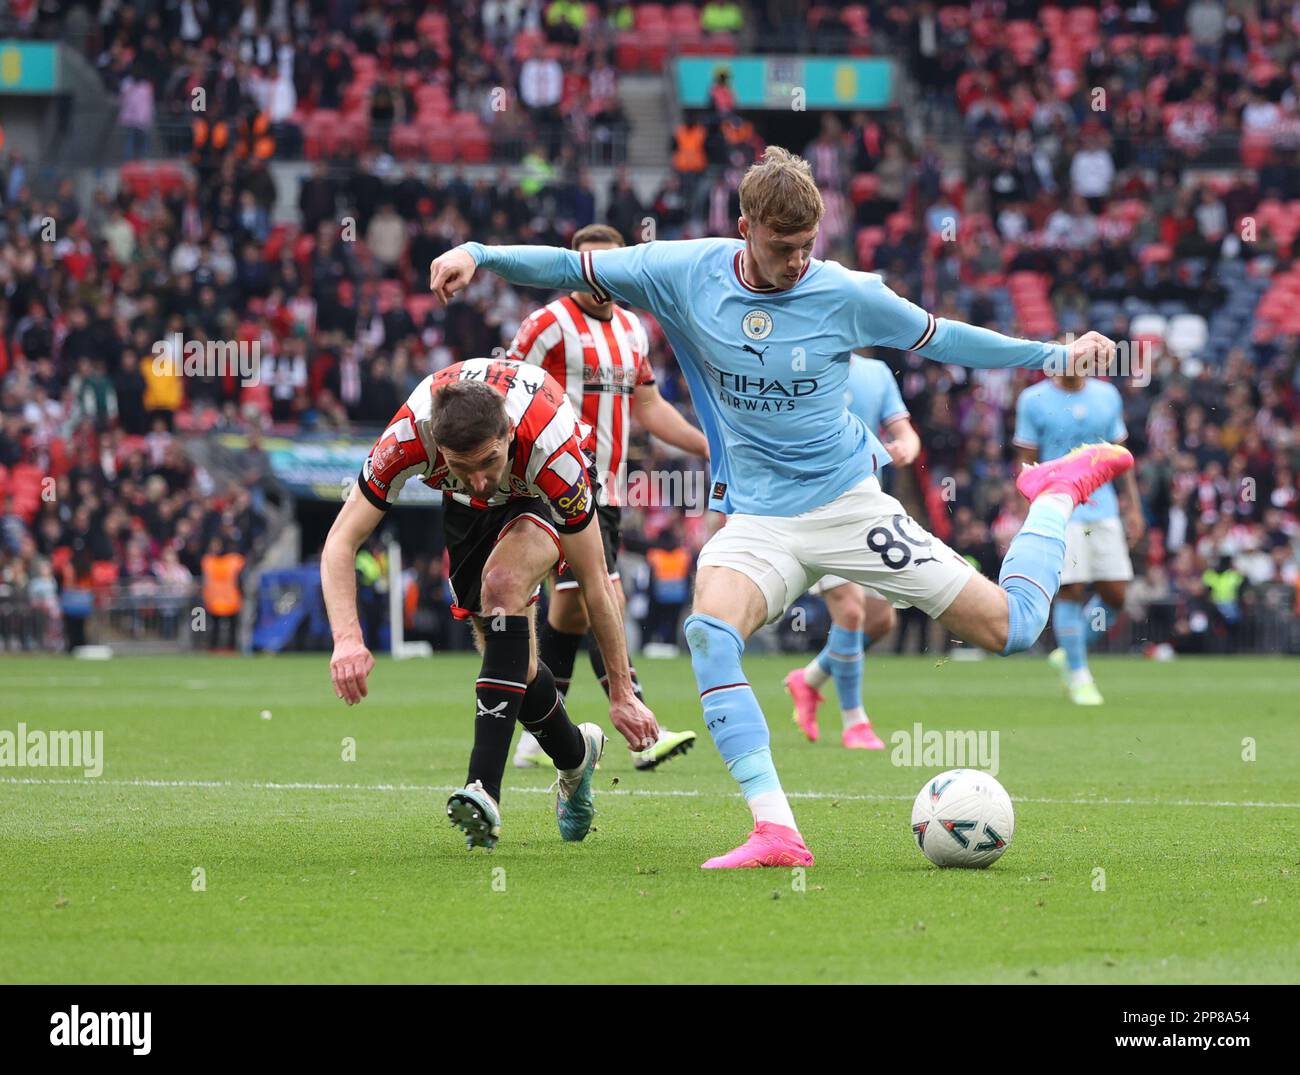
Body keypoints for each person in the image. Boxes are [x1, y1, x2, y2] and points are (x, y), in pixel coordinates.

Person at [429, 146, 1131, 869]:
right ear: (744, 228)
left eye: (806, 247)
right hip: (759, 518)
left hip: (848, 506)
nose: (797, 262)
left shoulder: (847, 292)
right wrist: (478, 252)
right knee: (709, 630)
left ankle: (1053, 493)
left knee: (1011, 628)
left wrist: (1052, 355)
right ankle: (777, 830)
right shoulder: (684, 272)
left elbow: (944, 336)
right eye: (782, 247)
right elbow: (569, 267)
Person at [322, 357, 658, 851]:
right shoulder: (406, 439)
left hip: (536, 492)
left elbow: (595, 582)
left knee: (501, 585)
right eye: (462, 466)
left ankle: (483, 789)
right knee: (513, 663)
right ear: (438, 446)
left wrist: (622, 691)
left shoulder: (550, 450)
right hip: (463, 514)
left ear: (506, 434)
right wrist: (347, 639)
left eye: (487, 461)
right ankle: (575, 754)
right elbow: (340, 542)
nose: (479, 478)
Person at [506, 223, 708, 772]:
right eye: (588, 266)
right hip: (560, 484)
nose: (600, 278)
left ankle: (539, 732)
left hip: (611, 489)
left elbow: (648, 406)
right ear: (572, 267)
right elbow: (505, 395)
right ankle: (642, 724)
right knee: (607, 598)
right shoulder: (545, 326)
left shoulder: (633, 329)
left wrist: (708, 445)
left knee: (572, 610)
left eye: (611, 267)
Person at [785, 355, 921, 749]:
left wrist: (905, 447)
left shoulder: (876, 373)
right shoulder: (802, 362)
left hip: (867, 508)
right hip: (817, 506)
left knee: (880, 622)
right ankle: (854, 722)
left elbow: (904, 429)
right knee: (851, 611)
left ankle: (808, 678)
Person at [1014, 369, 1144, 705]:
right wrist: (1025, 511)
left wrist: (1134, 507)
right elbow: (1026, 462)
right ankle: (1079, 675)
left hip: (1105, 507)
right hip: (1059, 505)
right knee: (1070, 590)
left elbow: (1119, 455)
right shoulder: (1033, 399)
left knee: (1116, 594)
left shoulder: (1107, 395)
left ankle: (1070, 651)